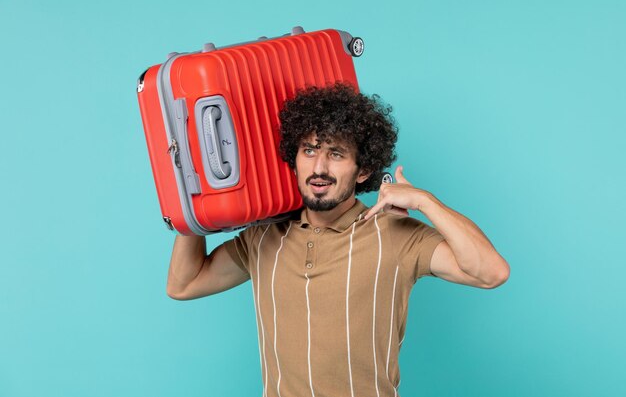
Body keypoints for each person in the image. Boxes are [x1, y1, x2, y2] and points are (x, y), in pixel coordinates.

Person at [166, 83, 510, 397]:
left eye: (336, 154)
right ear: (294, 159)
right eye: (309, 150)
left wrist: (424, 201)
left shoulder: (395, 234)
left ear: (362, 171)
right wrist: (190, 192)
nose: (319, 168)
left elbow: (490, 272)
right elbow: (184, 284)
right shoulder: (263, 236)